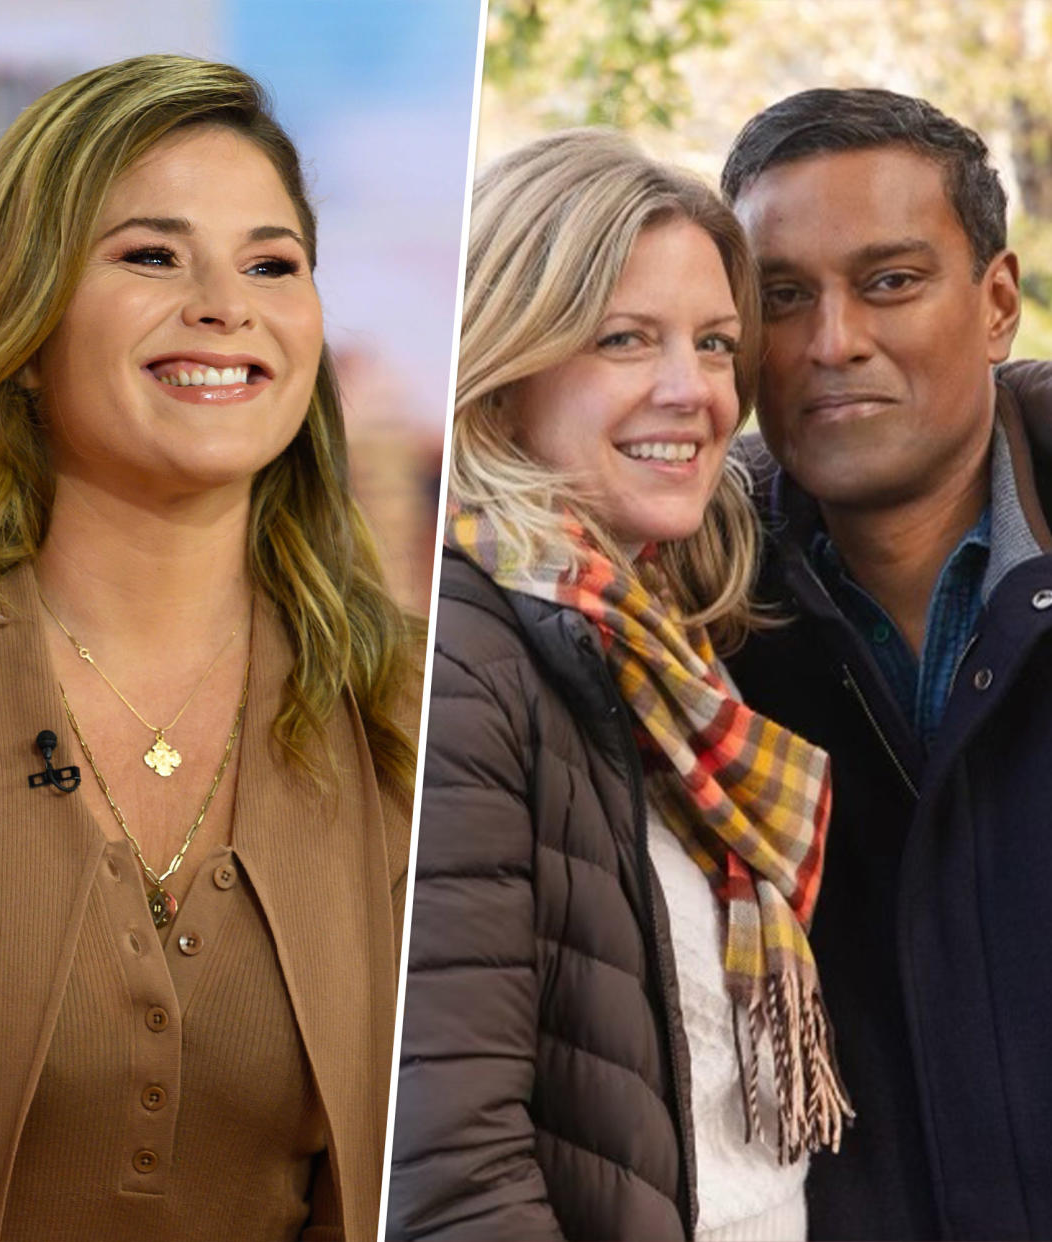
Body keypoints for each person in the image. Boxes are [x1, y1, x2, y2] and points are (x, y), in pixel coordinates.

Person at [0, 54, 419, 1242]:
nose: (225, 305)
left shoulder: (400, 696)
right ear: (25, 324)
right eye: (151, 255)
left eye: (272, 263)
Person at [387, 128, 848, 1242]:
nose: (692, 391)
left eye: (716, 343)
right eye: (625, 339)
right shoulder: (462, 659)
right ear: (504, 367)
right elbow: (449, 1172)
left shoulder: (668, 651)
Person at [721, 87, 1052, 1240]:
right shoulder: (687, 634)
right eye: (781, 296)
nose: (832, 341)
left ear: (998, 302)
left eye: (891, 282)